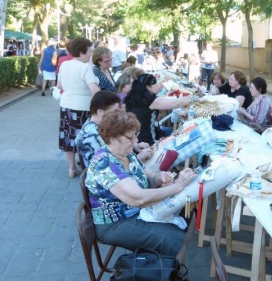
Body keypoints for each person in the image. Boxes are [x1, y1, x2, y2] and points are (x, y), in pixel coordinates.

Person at [85, 109, 197, 266]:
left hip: (135, 212)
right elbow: (138, 198)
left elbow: (147, 176)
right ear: (113, 139)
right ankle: (175, 271)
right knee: (174, 240)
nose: (135, 140)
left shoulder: (126, 153)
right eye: (130, 137)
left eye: (135, 135)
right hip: (115, 223)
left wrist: (158, 178)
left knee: (189, 212)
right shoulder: (106, 165)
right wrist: (177, 187)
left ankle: (169, 266)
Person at [57, 37, 100, 178]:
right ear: (81, 53)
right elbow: (93, 88)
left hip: (66, 106)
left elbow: (59, 86)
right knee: (85, 138)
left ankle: (71, 168)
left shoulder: (64, 65)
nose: (91, 55)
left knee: (69, 137)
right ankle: (87, 166)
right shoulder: (85, 67)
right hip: (83, 107)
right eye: (89, 52)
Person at [75, 91, 152, 168]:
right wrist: (139, 157)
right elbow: (107, 168)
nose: (117, 113)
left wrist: (134, 145)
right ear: (100, 112)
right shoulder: (93, 136)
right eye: (114, 111)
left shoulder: (97, 124)